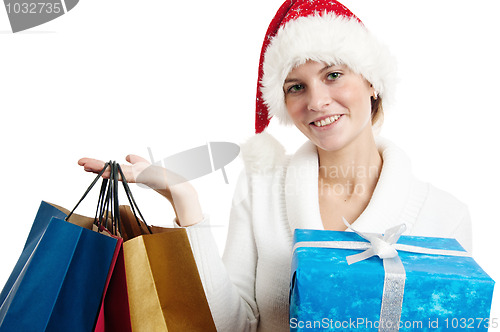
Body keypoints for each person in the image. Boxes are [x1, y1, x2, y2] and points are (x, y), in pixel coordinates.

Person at [79, 0, 472, 331]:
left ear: (372, 81)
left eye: (333, 75)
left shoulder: (445, 216)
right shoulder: (261, 186)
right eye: (295, 86)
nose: (316, 102)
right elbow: (235, 325)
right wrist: (185, 200)